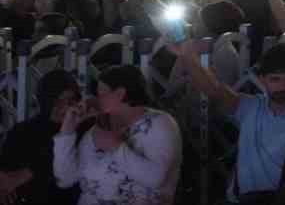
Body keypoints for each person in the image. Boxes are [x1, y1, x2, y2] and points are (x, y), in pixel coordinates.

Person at [178, 39, 285, 204]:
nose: (283, 86)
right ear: (262, 80)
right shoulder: (251, 106)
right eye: (275, 79)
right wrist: (187, 54)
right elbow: (213, 89)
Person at [52, 66, 180, 205]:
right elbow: (65, 180)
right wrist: (67, 130)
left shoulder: (160, 124)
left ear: (120, 93)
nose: (96, 98)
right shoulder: (98, 129)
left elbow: (155, 178)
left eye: (101, 93)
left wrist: (116, 146)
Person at [0, 68, 79, 205]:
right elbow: (6, 171)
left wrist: (25, 174)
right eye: (58, 101)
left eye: (70, 100)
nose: (65, 106)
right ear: (46, 101)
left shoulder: (81, 128)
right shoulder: (23, 131)